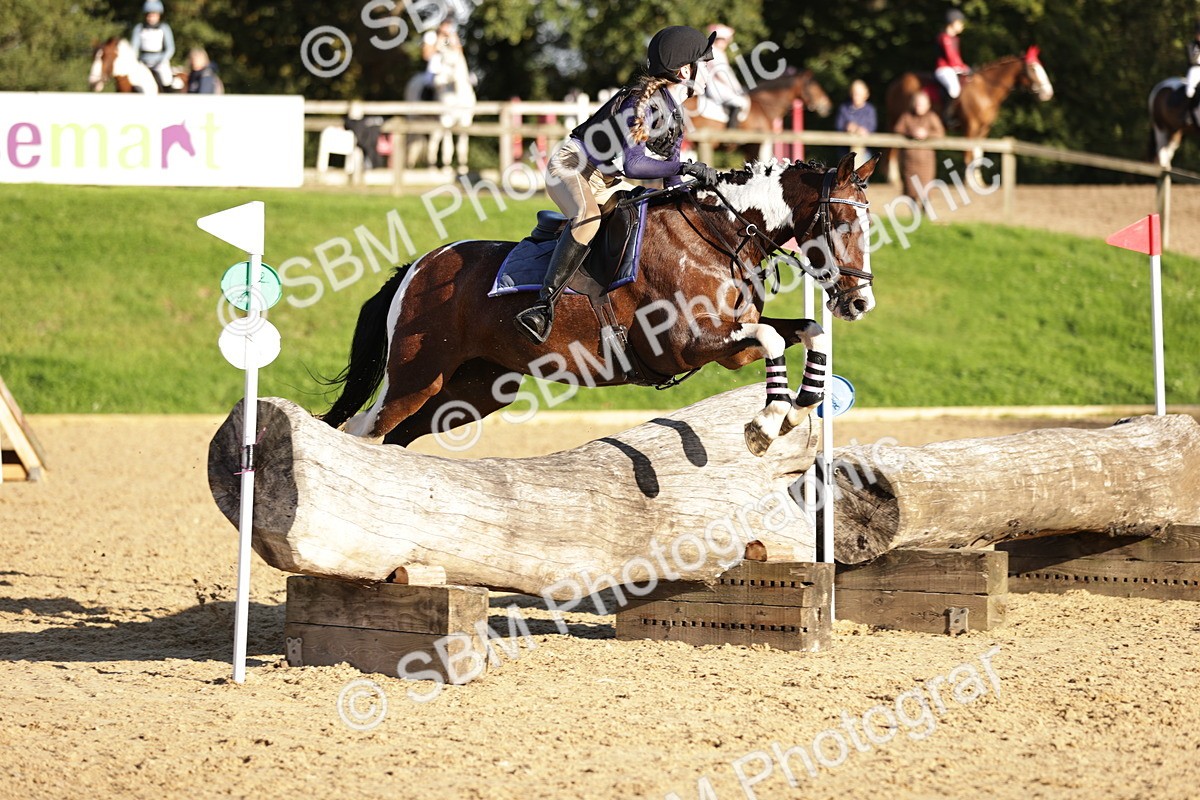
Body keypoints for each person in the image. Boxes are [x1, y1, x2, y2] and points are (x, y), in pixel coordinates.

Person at [514, 25, 721, 344]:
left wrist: (699, 201)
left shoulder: (674, 115)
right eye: (705, 64)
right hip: (572, 166)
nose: (709, 71)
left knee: (648, 220)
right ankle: (542, 307)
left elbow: (672, 182)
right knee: (588, 217)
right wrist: (686, 166)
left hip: (606, 181)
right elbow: (633, 164)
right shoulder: (638, 103)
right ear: (685, 71)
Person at [893, 91, 945, 207]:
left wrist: (926, 134)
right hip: (909, 161)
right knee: (910, 188)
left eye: (921, 104)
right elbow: (897, 130)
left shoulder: (931, 117)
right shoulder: (907, 116)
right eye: (917, 104)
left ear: (928, 105)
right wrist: (910, 133)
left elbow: (940, 133)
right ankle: (914, 211)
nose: (918, 107)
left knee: (926, 187)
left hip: (926, 160)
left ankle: (925, 210)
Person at [704, 24, 750, 129]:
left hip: (718, 86)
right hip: (717, 87)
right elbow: (722, 75)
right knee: (741, 102)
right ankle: (730, 131)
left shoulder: (716, 52)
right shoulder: (715, 52)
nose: (726, 43)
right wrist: (737, 88)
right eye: (725, 40)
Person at [131, 0, 176, 92]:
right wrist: (135, 61)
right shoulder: (139, 28)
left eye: (153, 15)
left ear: (159, 15)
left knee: (166, 78)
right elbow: (134, 48)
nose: (150, 18)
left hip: (159, 62)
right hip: (143, 61)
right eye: (148, 15)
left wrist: (162, 60)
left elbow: (170, 48)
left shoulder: (164, 28)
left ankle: (168, 94)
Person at [834, 80, 877, 164]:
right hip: (845, 152)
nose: (856, 96)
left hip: (865, 152)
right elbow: (838, 125)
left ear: (866, 94)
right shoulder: (844, 108)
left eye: (858, 94)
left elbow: (872, 127)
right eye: (854, 93)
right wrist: (847, 127)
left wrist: (861, 130)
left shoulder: (870, 110)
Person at [421, 19, 465, 96]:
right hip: (435, 71)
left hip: (451, 70)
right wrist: (438, 42)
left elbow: (459, 53)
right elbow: (426, 55)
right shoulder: (431, 36)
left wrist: (453, 38)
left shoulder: (451, 37)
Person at [934, 9, 969, 102]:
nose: (962, 25)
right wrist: (962, 67)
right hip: (944, 69)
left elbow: (957, 57)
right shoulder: (944, 37)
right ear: (953, 22)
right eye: (960, 23)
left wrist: (964, 67)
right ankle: (947, 111)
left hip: (954, 69)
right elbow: (951, 57)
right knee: (954, 90)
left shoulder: (955, 39)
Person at [1187, 21, 1200, 119]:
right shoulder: (1192, 45)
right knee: (1189, 91)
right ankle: (1188, 114)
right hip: (1195, 70)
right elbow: (1192, 60)